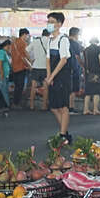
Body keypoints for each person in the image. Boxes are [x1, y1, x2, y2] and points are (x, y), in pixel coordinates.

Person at [44, 12, 72, 144]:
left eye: (52, 21)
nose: (49, 24)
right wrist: (48, 77)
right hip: (54, 77)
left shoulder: (63, 39)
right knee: (54, 107)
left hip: (63, 77)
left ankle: (62, 134)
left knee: (63, 107)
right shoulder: (49, 40)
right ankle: (65, 133)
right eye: (48, 21)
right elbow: (48, 60)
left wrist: (52, 76)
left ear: (59, 24)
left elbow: (63, 60)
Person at [82, 38, 100, 115]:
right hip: (96, 72)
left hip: (87, 72)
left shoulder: (86, 50)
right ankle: (95, 109)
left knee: (88, 92)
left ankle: (86, 109)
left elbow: (84, 61)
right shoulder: (98, 49)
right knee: (97, 92)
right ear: (97, 41)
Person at [28, 29, 49, 110]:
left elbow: (26, 50)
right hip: (45, 67)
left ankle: (31, 105)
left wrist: (31, 60)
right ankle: (44, 106)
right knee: (45, 87)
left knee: (33, 86)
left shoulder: (36, 41)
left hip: (35, 67)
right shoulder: (50, 41)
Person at [10, 28, 31, 108]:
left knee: (17, 86)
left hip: (14, 67)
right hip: (21, 67)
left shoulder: (14, 43)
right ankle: (16, 103)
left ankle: (15, 103)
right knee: (20, 86)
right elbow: (26, 55)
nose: (28, 37)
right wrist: (30, 62)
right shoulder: (23, 43)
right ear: (24, 34)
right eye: (27, 35)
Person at [0, 39, 11, 114]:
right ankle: (4, 106)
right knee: (2, 91)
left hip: (5, 75)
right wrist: (1, 74)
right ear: (7, 46)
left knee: (4, 91)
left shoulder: (5, 52)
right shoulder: (1, 52)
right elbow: (0, 63)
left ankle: (6, 106)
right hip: (2, 76)